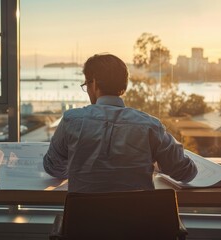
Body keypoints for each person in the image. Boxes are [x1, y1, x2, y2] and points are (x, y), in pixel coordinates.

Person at [43, 53, 197, 192]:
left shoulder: (72, 120)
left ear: (94, 83)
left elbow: (53, 168)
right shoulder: (150, 126)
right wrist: (157, 163)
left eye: (86, 85)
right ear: (123, 88)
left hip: (85, 221)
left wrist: (79, 165)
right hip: (137, 222)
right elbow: (186, 172)